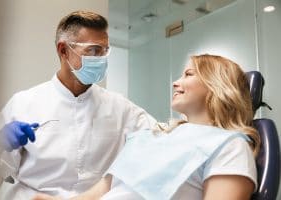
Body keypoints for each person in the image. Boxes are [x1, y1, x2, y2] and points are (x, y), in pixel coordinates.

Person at [33, 54, 261, 200]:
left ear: (217, 86)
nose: (175, 82)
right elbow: (101, 192)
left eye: (189, 74)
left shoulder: (229, 147)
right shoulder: (152, 137)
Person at [0, 11, 156, 199]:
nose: (102, 59)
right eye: (94, 50)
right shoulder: (22, 104)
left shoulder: (121, 108)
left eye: (105, 51)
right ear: (63, 50)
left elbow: (163, 141)